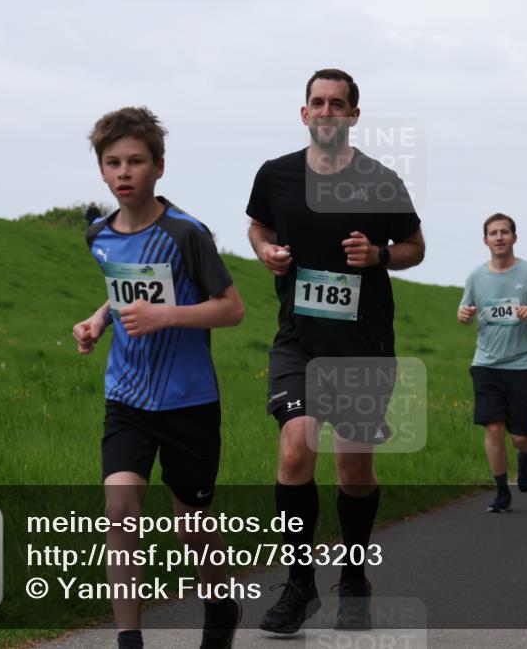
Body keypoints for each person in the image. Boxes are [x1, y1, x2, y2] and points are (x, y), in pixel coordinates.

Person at [246, 69, 425, 633]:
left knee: (353, 468)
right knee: (296, 448)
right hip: (298, 341)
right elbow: (258, 227)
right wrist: (266, 251)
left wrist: (378, 255)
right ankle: (299, 585)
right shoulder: (275, 174)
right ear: (304, 113)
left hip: (360, 345)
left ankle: (353, 576)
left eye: (337, 104)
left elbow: (415, 247)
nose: (326, 111)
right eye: (317, 103)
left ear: (353, 115)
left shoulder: (381, 181)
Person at [72, 107, 245, 649]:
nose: (124, 173)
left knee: (191, 525)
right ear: (102, 170)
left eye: (136, 161)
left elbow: (232, 308)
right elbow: (123, 290)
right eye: (113, 163)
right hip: (127, 398)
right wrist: (97, 321)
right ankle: (130, 640)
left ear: (159, 167)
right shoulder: (99, 235)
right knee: (120, 512)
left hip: (188, 401)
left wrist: (165, 316)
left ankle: (220, 606)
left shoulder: (186, 234)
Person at [459, 213, 527, 511]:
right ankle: (502, 491)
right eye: (493, 233)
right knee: (493, 429)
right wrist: (464, 315)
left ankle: (526, 455)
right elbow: (465, 312)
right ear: (485, 240)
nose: (499, 237)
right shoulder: (476, 276)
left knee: (519, 437)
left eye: (504, 232)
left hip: (523, 365)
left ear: (514, 237)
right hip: (486, 363)